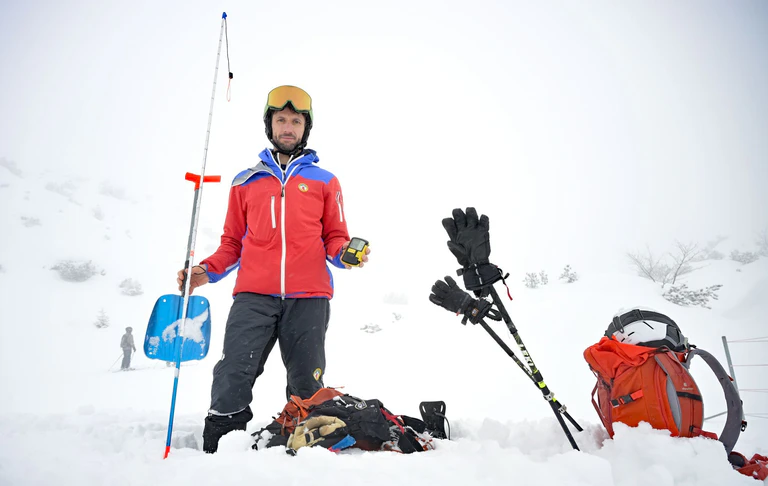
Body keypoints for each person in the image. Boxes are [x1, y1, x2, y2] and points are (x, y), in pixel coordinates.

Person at [176, 85, 369, 453]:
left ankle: (303, 449)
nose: (288, 126)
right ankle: (220, 445)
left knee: (307, 381)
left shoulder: (325, 181)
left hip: (309, 297)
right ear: (270, 124)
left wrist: (346, 254)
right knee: (234, 370)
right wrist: (205, 271)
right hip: (254, 295)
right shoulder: (245, 182)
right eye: (281, 119)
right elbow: (232, 244)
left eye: (296, 121)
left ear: (305, 128)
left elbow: (335, 239)